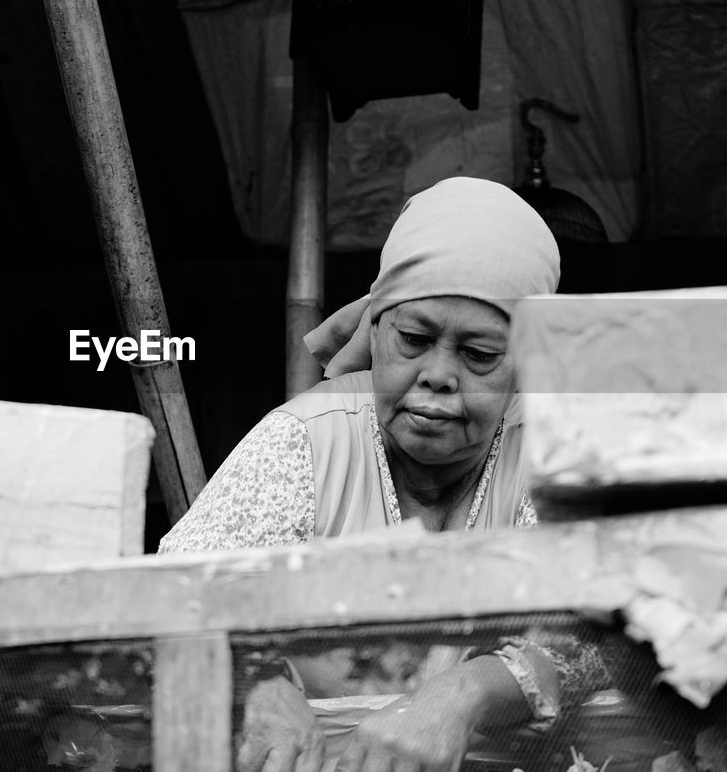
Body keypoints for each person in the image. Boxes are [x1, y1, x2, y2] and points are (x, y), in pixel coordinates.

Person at [159, 177, 608, 771]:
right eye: (415, 340)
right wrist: (258, 684)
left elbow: (604, 629)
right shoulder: (306, 440)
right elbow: (171, 598)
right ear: (374, 330)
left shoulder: (552, 452)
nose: (438, 375)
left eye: (479, 354)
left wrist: (461, 695)